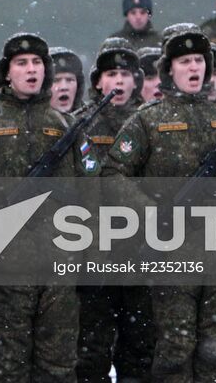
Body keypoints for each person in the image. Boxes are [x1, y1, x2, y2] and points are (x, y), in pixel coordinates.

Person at [0, 33, 99, 382]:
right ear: (6, 73)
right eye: (22, 63)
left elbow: (92, 192)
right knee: (9, 367)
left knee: (58, 367)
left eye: (37, 63)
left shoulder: (67, 126)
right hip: (7, 267)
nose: (31, 70)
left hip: (60, 265)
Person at [104, 27, 216, 380]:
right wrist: (152, 213)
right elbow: (113, 174)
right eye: (185, 61)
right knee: (175, 347)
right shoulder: (147, 120)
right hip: (173, 253)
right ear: (170, 70)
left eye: (199, 60)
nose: (194, 67)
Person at [77, 38, 152, 383]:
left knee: (140, 348)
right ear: (96, 81)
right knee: (92, 349)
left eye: (125, 73)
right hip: (93, 248)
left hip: (142, 247)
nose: (118, 81)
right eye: (110, 74)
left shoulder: (152, 121)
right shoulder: (79, 125)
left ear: (137, 80)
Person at [49, 47, 84, 114]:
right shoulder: (27, 122)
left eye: (70, 80)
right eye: (56, 80)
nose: (64, 87)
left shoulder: (95, 121)